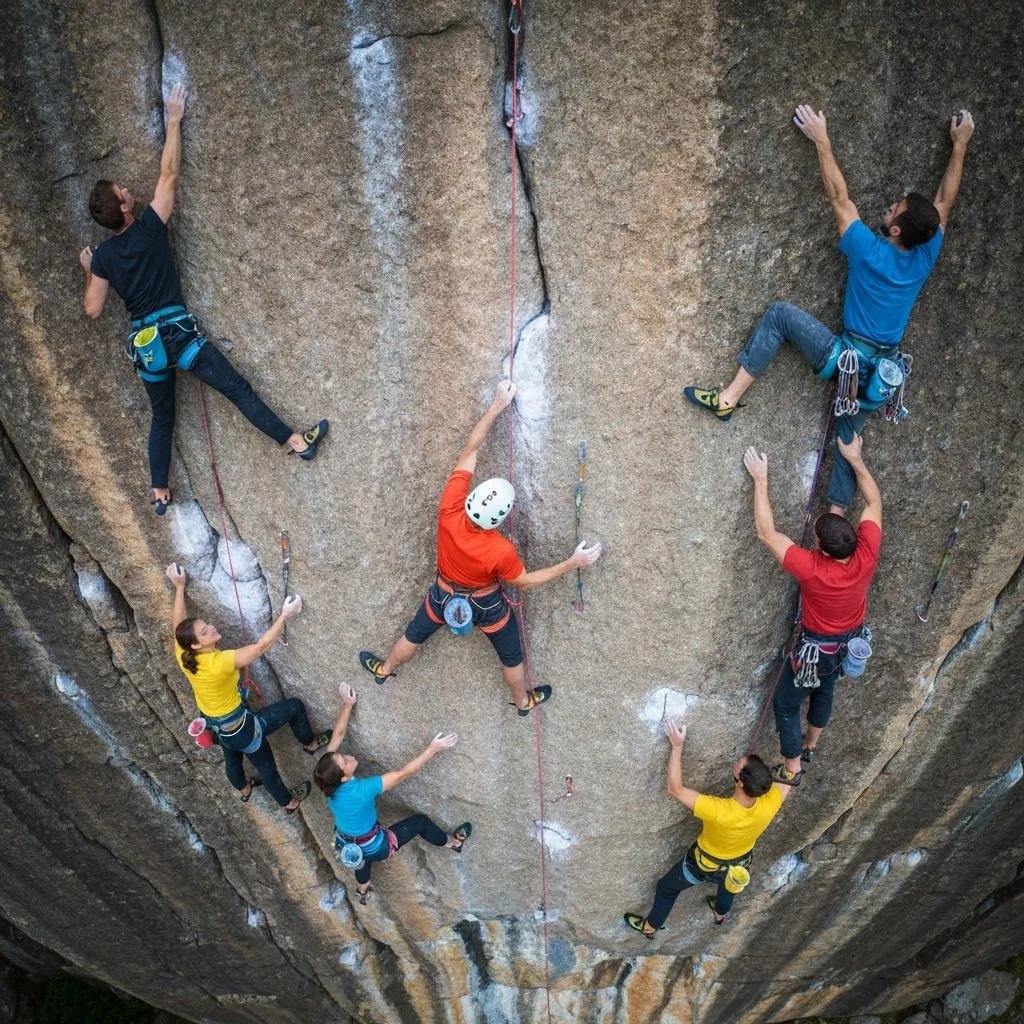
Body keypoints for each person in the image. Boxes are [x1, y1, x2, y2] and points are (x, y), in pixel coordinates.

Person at [684, 104, 975, 513]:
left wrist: (822, 140)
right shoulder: (926, 252)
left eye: (894, 209)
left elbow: (839, 196)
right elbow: (945, 201)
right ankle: (836, 518)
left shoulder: (867, 249)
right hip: (880, 377)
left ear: (895, 230)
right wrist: (960, 145)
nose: (890, 206)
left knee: (780, 315)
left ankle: (728, 399)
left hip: (845, 359)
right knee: (848, 444)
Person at [80, 84, 328, 517]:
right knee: (236, 389)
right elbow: (168, 176)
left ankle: (160, 492)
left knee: (163, 418)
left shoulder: (103, 257)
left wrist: (91, 270)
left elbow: (93, 309)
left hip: (148, 348)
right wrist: (174, 120)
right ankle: (295, 441)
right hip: (179, 336)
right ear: (124, 207)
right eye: (123, 190)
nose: (127, 188)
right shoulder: (150, 227)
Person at [358, 379, 603, 716]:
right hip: (487, 605)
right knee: (511, 656)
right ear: (498, 519)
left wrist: (496, 405)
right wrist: (571, 562)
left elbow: (470, 450)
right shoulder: (499, 549)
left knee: (414, 634)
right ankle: (522, 702)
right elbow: (524, 581)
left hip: (442, 594)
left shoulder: (450, 507)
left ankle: (384, 670)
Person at [742, 434, 882, 785]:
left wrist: (760, 480)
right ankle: (812, 744)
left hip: (815, 650)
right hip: (847, 644)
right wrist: (854, 457)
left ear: (820, 547)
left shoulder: (812, 568)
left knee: (786, 704)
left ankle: (792, 766)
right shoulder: (866, 553)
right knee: (825, 687)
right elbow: (873, 501)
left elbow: (767, 533)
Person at [166, 563, 330, 812]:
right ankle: (291, 795)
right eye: (205, 631)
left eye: (206, 624)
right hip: (241, 728)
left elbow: (178, 625)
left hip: (215, 725)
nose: (211, 627)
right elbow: (260, 647)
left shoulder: (185, 655)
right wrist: (285, 616)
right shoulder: (218, 662)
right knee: (274, 749)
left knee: (232, 757)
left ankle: (243, 788)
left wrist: (179, 587)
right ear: (197, 645)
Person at [624, 721, 793, 936]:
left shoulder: (718, 810)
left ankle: (650, 927)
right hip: (739, 862)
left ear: (740, 782)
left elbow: (675, 789)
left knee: (666, 888)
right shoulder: (772, 802)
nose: (738, 761)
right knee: (729, 886)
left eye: (740, 764)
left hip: (702, 865)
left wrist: (677, 747)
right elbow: (793, 770)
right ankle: (719, 914)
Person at [314, 687, 470, 904]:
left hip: (345, 841)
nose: (349, 757)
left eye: (343, 756)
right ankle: (453, 843)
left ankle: (362, 890)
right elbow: (402, 774)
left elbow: (337, 736)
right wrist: (432, 749)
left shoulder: (325, 780)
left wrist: (347, 705)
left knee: (360, 858)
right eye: (346, 762)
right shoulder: (363, 789)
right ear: (342, 777)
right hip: (378, 846)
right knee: (420, 823)